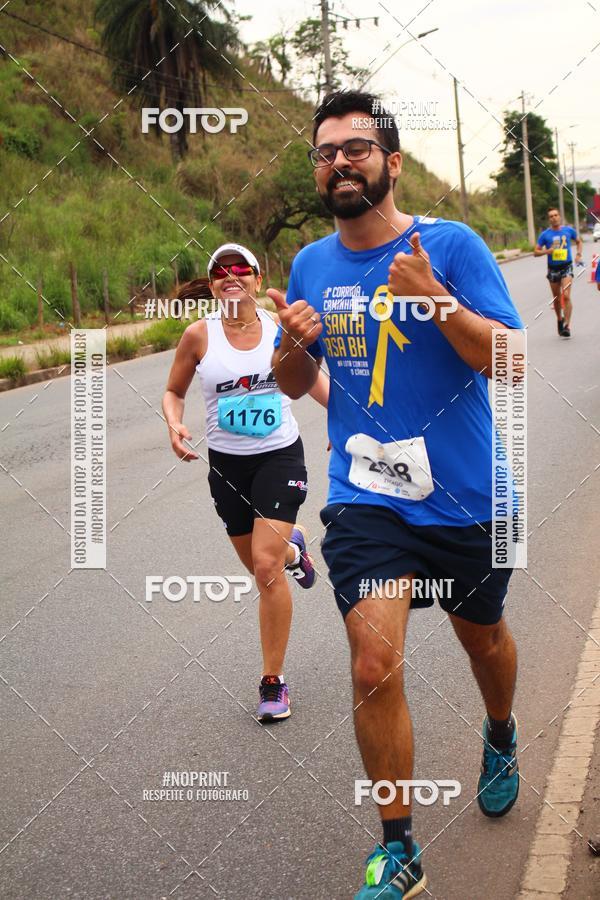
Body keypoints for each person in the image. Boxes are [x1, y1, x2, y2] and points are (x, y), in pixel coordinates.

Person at [269, 91, 523, 898]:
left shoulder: (450, 245)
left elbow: (513, 363)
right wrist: (290, 349)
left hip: (471, 499)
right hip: (366, 498)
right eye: (325, 153)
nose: (339, 162)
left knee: (484, 640)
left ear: (392, 162)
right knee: (373, 661)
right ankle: (399, 849)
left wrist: (436, 298)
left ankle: (501, 731)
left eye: (357, 148)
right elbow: (296, 381)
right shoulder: (310, 265)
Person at [162, 242, 329, 722]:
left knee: (265, 568)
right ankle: (294, 552)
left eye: (241, 268)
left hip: (280, 457)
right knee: (263, 564)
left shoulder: (279, 328)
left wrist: (345, 424)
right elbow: (173, 391)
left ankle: (273, 682)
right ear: (213, 285)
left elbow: (314, 382)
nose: (230, 275)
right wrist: (174, 422)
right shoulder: (198, 335)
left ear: (258, 277)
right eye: (220, 270)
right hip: (227, 467)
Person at [534, 207, 583, 337]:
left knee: (566, 296)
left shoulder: (568, 231)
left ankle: (567, 326)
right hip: (553, 269)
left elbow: (579, 242)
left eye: (556, 215)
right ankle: (559, 319)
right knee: (556, 298)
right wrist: (547, 251)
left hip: (567, 266)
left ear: (559, 217)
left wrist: (578, 254)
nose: (554, 218)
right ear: (549, 219)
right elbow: (536, 252)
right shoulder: (545, 235)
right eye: (551, 216)